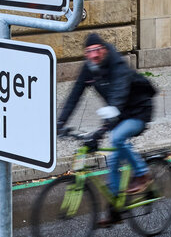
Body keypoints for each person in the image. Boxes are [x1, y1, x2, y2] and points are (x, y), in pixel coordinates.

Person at [57, 33, 156, 227]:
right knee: (113, 158)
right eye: (89, 52)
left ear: (103, 49)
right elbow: (74, 96)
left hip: (138, 111)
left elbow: (118, 97)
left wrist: (101, 131)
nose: (93, 55)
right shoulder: (89, 68)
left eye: (96, 51)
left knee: (117, 137)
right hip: (117, 113)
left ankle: (142, 173)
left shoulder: (117, 65)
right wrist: (60, 123)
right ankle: (115, 210)